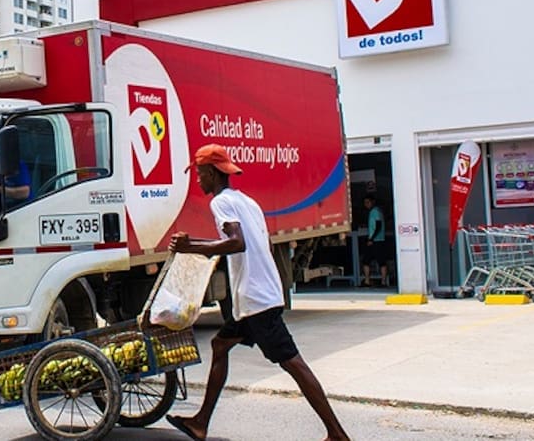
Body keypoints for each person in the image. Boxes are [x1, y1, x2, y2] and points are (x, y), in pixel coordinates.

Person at [166, 144, 349, 441]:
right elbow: (257, 243)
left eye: (199, 174)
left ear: (212, 173)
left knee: (293, 363)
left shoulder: (220, 202)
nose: (197, 180)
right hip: (255, 298)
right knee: (220, 345)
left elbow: (237, 242)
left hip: (257, 301)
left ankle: (337, 433)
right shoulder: (247, 202)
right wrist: (194, 246)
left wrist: (193, 248)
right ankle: (200, 422)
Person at [361, 195, 389, 287]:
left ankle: (381, 281)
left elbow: (378, 225)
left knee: (378, 261)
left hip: (376, 240)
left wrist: (371, 238)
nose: (366, 204)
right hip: (377, 239)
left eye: (368, 202)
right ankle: (368, 281)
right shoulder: (377, 211)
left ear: (372, 202)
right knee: (369, 260)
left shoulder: (375, 211)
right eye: (365, 203)